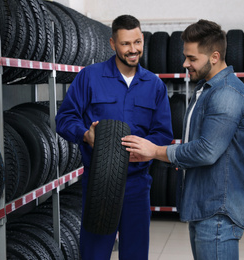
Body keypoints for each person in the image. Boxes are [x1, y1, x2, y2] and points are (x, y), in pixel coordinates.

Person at [122, 19, 244, 260]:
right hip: (204, 206)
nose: (185, 63)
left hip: (217, 212)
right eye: (186, 57)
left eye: (192, 58)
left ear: (214, 56)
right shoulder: (207, 88)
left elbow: (206, 151)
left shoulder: (227, 94)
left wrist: (155, 151)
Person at [55, 15, 173, 260]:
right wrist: (85, 135)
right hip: (99, 182)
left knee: (135, 254)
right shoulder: (90, 77)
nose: (133, 50)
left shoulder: (154, 85)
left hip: (137, 184)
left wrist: (148, 148)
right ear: (112, 44)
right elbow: (64, 119)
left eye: (138, 42)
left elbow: (163, 133)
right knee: (94, 254)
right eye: (126, 44)